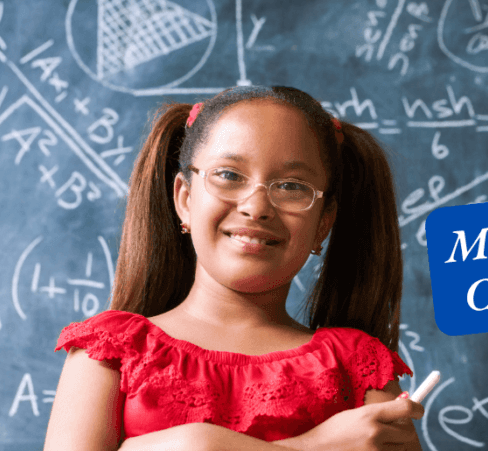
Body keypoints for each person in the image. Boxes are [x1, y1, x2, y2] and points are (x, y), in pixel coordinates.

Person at [44, 86, 424, 450]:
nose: (256, 207)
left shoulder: (357, 367)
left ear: (323, 222)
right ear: (185, 199)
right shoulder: (111, 353)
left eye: (292, 186)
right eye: (228, 175)